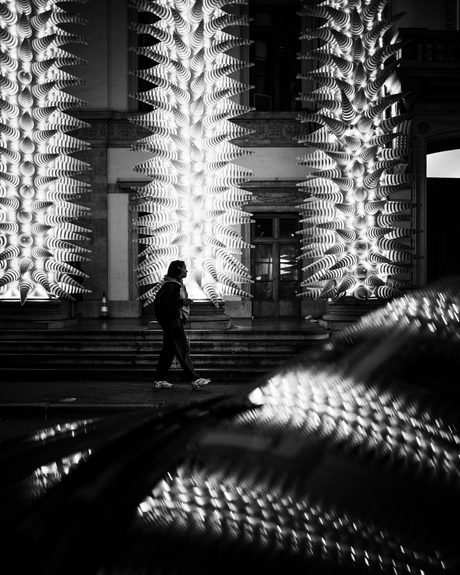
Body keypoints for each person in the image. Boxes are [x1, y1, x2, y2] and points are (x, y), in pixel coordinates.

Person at [153, 260, 211, 390]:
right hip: (172, 322)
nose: (186, 271)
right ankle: (195, 379)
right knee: (183, 349)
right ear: (178, 270)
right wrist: (180, 302)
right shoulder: (170, 286)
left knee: (168, 352)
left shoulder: (175, 285)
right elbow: (163, 304)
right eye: (184, 269)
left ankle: (159, 380)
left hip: (173, 321)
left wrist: (181, 302)